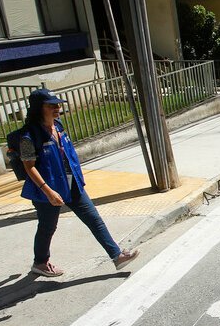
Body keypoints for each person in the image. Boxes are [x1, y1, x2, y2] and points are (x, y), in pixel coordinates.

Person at [19, 88, 139, 277]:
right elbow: (29, 167)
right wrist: (48, 191)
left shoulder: (58, 126)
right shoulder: (29, 137)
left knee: (94, 219)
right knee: (47, 227)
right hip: (47, 190)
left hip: (72, 184)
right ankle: (40, 263)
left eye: (57, 104)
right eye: (51, 105)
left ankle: (117, 256)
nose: (57, 108)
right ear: (38, 108)